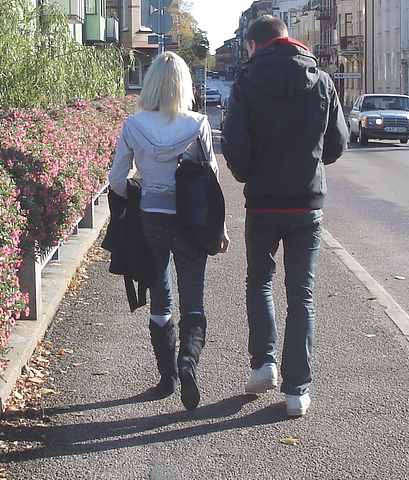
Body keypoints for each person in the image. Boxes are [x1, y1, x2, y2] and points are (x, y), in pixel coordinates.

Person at [221, 15, 348, 417]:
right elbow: (336, 145)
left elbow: (234, 146)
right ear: (288, 39)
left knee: (259, 281)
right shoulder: (323, 81)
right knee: (302, 294)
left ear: (255, 45)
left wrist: (250, 174)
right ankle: (297, 390)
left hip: (262, 203)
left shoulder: (245, 84)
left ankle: (264, 364)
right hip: (306, 204)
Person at [109, 51, 230, 411]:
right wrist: (220, 226)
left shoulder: (133, 125)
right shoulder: (198, 124)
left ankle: (167, 378)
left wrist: (141, 188)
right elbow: (211, 180)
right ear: (184, 85)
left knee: (161, 298)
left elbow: (116, 180)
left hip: (149, 220)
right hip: (190, 224)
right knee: (194, 301)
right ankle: (188, 363)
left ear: (151, 84)